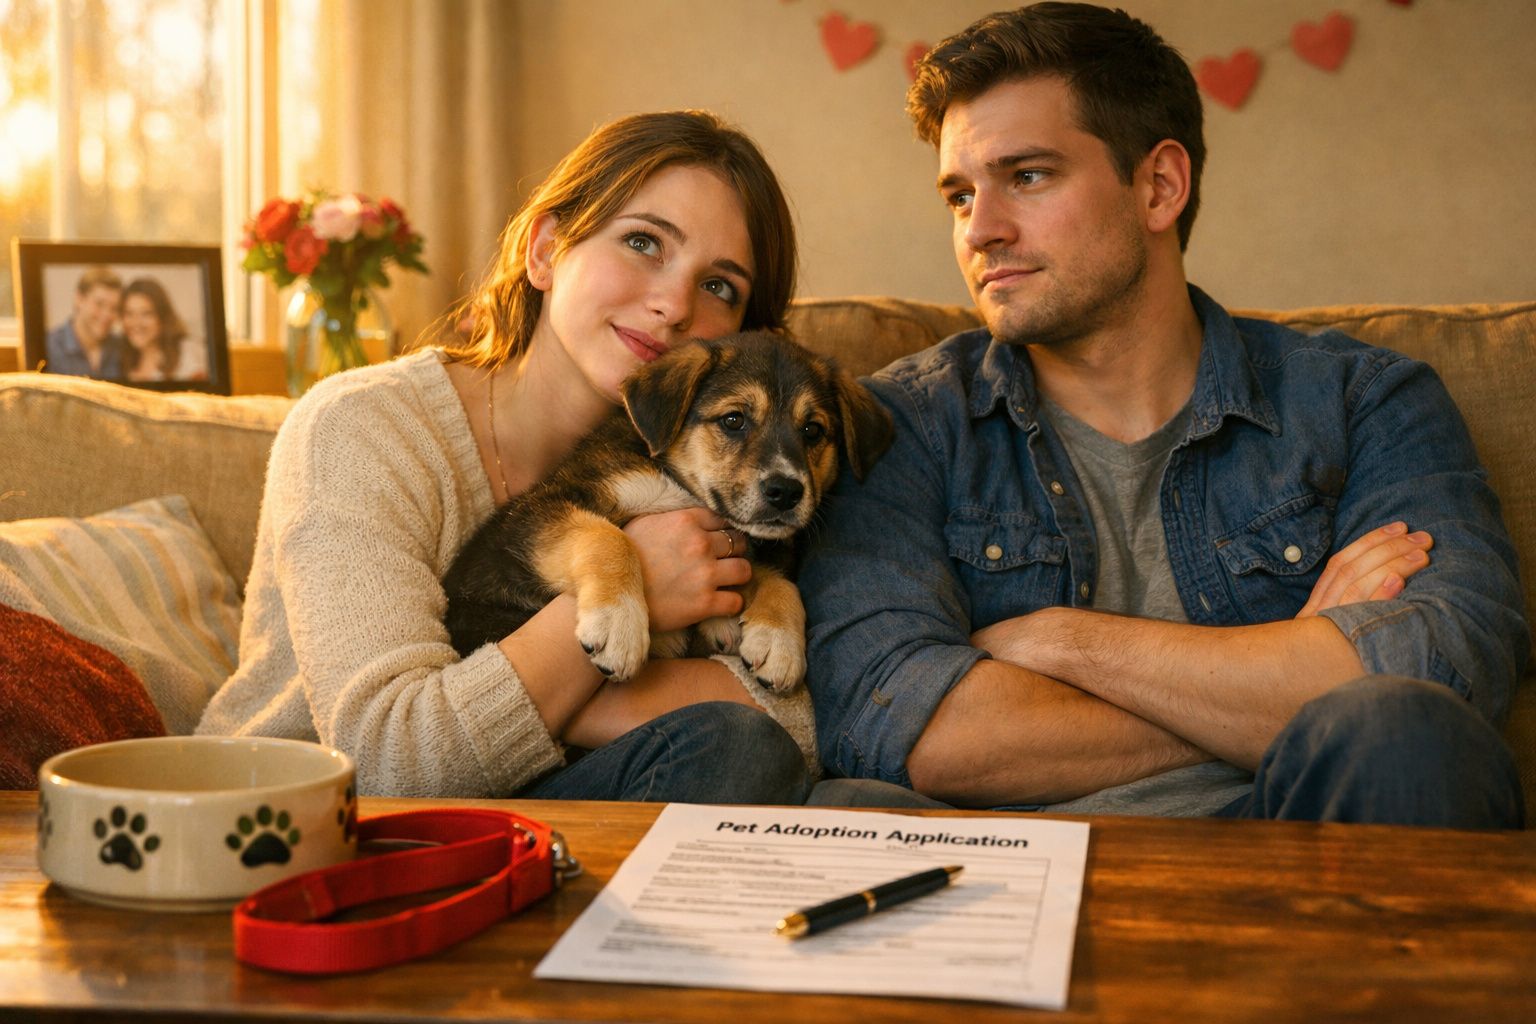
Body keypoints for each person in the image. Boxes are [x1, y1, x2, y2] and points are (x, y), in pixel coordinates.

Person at [800, 3, 1526, 827]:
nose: (982, 231)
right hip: (998, 881)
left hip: (1295, 849)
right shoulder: (897, 422)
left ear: (1158, 186)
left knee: (1402, 728)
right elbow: (899, 721)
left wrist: (1067, 641)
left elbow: (1446, 666)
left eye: (1028, 176)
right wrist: (1283, 672)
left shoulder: (1364, 400)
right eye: (960, 196)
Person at [197, 110, 819, 803]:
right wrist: (633, 574)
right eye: (643, 241)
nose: (673, 305)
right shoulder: (363, 429)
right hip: (291, 820)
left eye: (719, 287)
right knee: (729, 751)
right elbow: (391, 760)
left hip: (543, 808)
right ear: (546, 250)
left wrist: (580, 709)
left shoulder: (723, 469)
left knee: (810, 789)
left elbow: (812, 720)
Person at [44, 266, 127, 379]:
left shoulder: (121, 347)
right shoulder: (50, 346)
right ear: (79, 299)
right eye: (99, 304)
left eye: (114, 308)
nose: (107, 315)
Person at [121, 277, 208, 383]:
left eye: (146, 313)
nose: (136, 323)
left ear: (162, 316)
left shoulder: (187, 351)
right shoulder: (124, 359)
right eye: (129, 313)